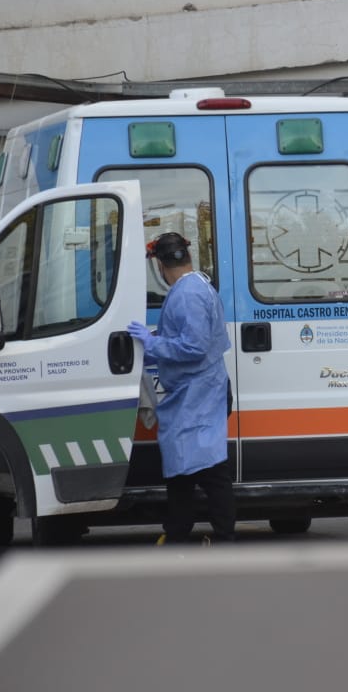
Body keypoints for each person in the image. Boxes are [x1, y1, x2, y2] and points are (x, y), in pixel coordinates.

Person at [127, 232, 236, 545]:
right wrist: (151, 344)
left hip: (197, 394)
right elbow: (187, 338)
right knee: (184, 469)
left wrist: (153, 343)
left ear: (160, 265)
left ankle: (214, 537)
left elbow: (194, 347)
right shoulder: (198, 285)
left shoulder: (187, 294)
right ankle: (178, 531)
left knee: (209, 470)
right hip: (199, 391)